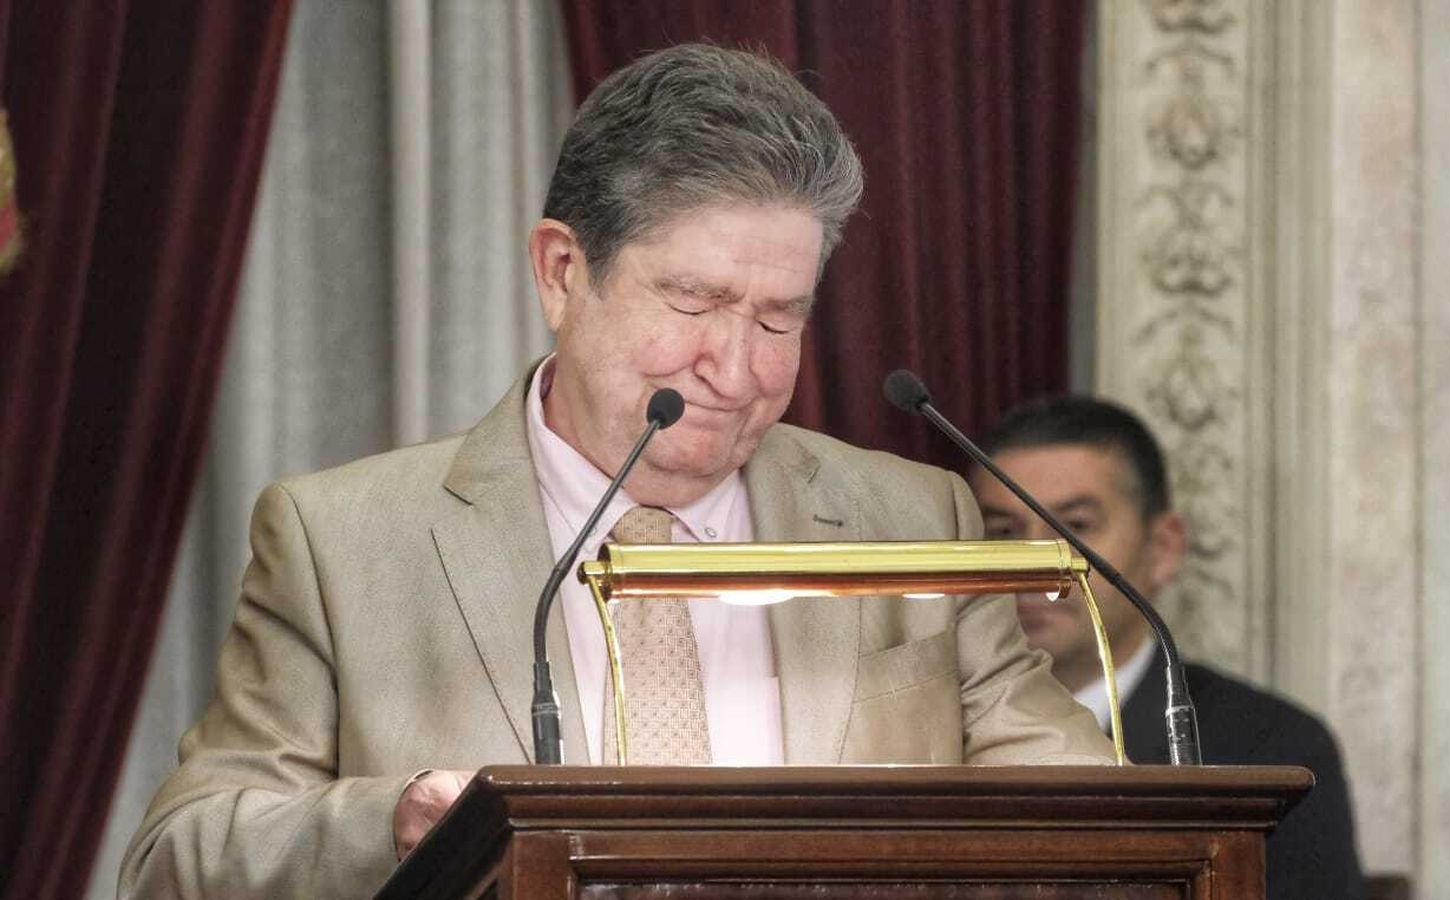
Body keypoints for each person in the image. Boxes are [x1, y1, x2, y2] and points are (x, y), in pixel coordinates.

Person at [119, 44, 1113, 899]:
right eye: (691, 303)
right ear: (562, 272)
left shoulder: (911, 516)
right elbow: (181, 859)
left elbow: (1089, 820)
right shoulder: (341, 540)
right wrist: (402, 820)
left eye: (780, 317)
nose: (737, 368)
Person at [968, 395, 1365, 900]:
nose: (1034, 562)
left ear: (1163, 549)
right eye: (1003, 532)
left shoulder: (1272, 750)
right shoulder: (929, 735)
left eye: (1076, 527)